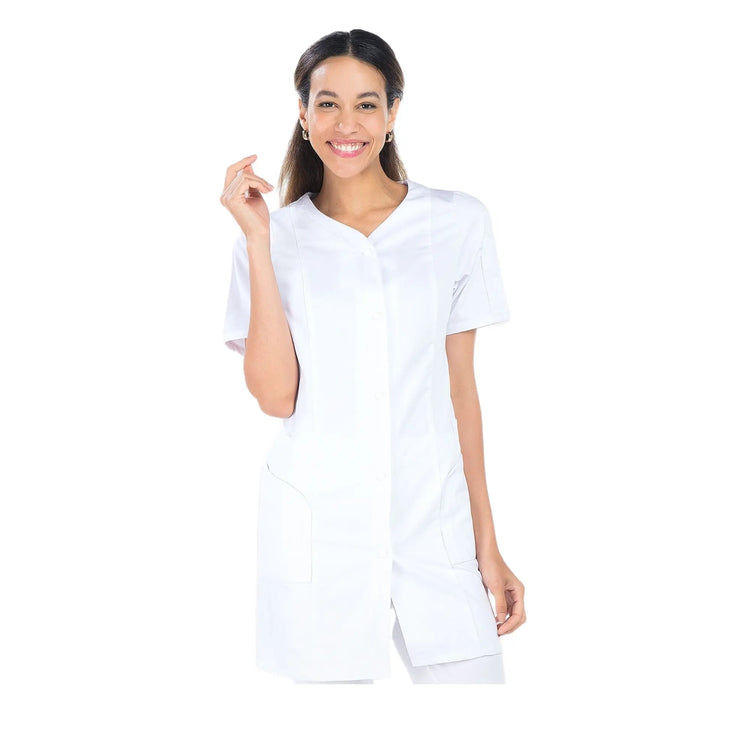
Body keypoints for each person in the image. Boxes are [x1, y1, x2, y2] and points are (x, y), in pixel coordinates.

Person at [220, 29, 526, 684]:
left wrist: (488, 546)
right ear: (303, 115)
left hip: (435, 526)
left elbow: (461, 391)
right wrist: (258, 242)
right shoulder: (274, 236)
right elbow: (275, 396)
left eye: (366, 104)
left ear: (392, 114)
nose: (346, 124)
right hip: (320, 527)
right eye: (327, 104)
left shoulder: (457, 222)